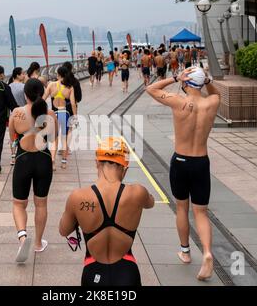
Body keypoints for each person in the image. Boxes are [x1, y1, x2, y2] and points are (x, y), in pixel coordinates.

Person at [145, 67, 220, 282]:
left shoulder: (178, 101)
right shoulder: (211, 102)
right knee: (201, 212)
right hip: (201, 162)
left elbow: (151, 88)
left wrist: (176, 77)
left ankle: (185, 252)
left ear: (187, 83)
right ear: (202, 83)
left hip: (180, 161)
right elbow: (215, 93)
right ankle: (207, 252)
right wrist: (208, 80)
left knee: (181, 207)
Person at [59, 137, 155, 286]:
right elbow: (151, 203)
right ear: (125, 167)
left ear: (97, 162)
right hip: (127, 273)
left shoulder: (78, 197)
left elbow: (64, 230)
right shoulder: (138, 193)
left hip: (92, 273)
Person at [9, 78, 58, 263]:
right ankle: (37, 243)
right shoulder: (50, 113)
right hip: (43, 160)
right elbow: (54, 138)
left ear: (25, 95)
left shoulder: (16, 112)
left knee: (18, 204)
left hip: (23, 159)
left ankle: (22, 238)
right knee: (41, 204)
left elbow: (12, 137)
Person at [43, 67, 77, 170]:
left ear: (58, 74)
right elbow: (72, 104)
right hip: (65, 114)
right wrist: (75, 116)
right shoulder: (70, 87)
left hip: (54, 114)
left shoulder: (51, 85)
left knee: (54, 139)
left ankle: (53, 160)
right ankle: (63, 162)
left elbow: (43, 99)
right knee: (64, 138)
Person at [9, 67, 28, 165]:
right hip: (23, 114)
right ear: (17, 75)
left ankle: (13, 157)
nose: (24, 75)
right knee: (23, 135)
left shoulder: (9, 86)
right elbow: (26, 101)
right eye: (23, 74)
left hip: (12, 115)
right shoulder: (24, 87)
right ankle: (22, 155)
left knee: (12, 137)